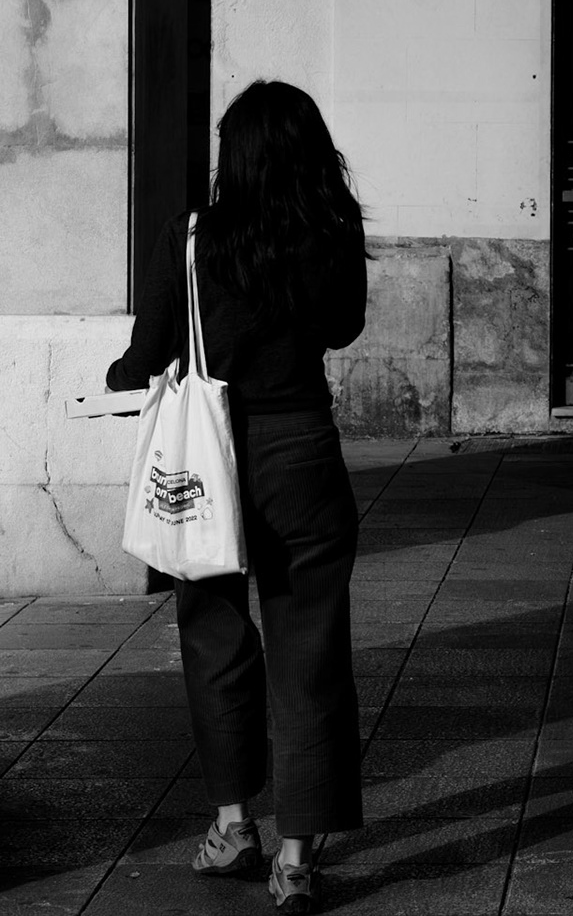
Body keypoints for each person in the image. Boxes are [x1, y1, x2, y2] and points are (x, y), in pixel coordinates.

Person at [108, 80, 369, 914]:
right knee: (310, 648)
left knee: (214, 634)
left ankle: (233, 825)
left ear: (234, 156)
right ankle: (297, 859)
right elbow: (343, 328)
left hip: (204, 460)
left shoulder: (191, 238)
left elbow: (149, 350)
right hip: (301, 454)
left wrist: (121, 374)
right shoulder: (331, 231)